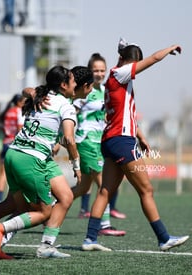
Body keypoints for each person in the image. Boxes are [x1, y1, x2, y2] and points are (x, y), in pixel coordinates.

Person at [0, 66, 94, 259]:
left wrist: (33, 93)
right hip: (32, 158)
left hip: (16, 153)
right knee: (44, 211)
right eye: (75, 81)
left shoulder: (45, 96)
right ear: (65, 85)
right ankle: (0, 230)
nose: (79, 85)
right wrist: (76, 164)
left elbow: (28, 91)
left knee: (59, 198)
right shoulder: (65, 105)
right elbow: (69, 139)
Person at [81, 38, 189, 252]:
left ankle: (90, 239)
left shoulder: (118, 80)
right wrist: (169, 48)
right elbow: (154, 59)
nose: (136, 69)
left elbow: (126, 114)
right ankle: (163, 238)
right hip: (121, 142)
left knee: (105, 192)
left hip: (112, 140)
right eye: (134, 64)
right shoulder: (119, 73)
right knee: (146, 189)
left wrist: (141, 136)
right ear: (126, 61)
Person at [72, 53, 126, 236]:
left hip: (100, 143)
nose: (99, 73)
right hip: (86, 141)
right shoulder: (84, 91)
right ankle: (104, 225)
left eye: (102, 70)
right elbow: (69, 115)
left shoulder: (106, 90)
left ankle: (51, 207)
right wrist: (61, 138)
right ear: (89, 71)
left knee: (83, 188)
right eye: (95, 70)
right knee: (105, 184)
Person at [0, 93, 26, 202]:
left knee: (2, 174)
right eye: (23, 101)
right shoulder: (19, 111)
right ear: (19, 102)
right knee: (18, 174)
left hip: (5, 143)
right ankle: (17, 200)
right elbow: (20, 129)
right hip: (14, 145)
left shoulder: (8, 112)